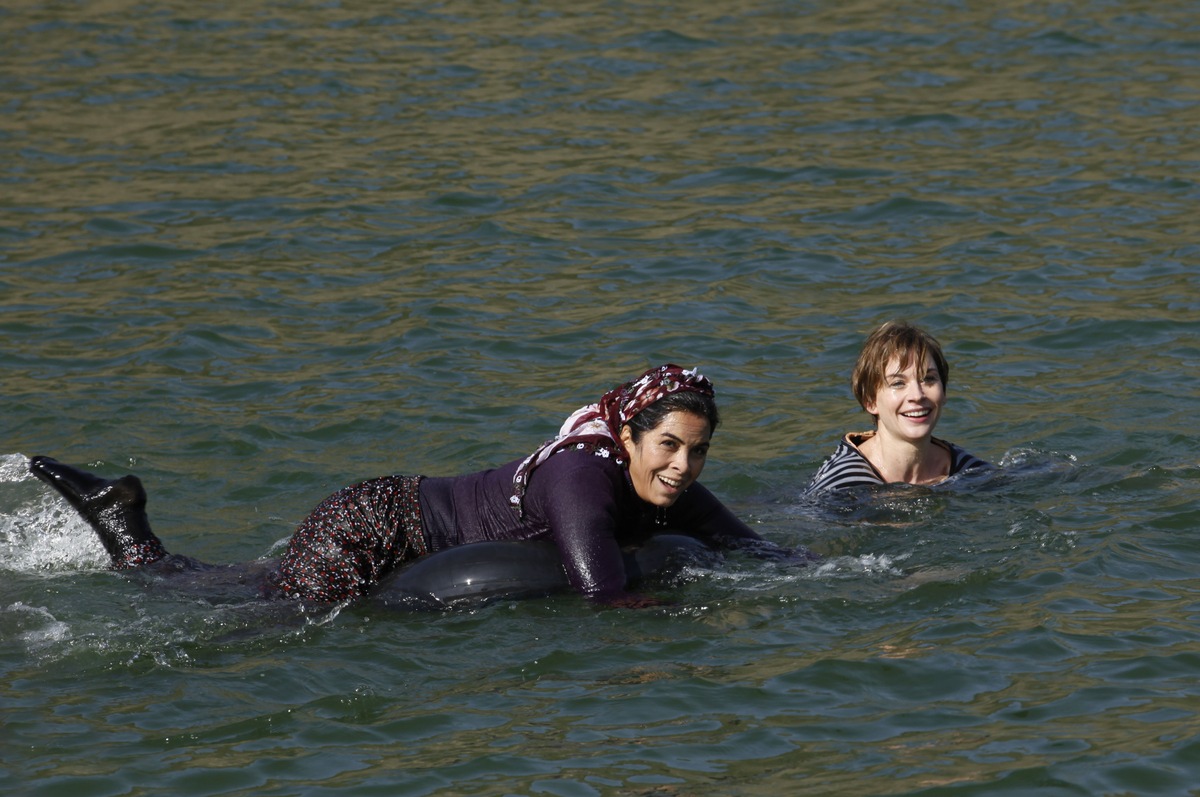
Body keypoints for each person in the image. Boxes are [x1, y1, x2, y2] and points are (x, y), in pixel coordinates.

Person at [31, 364, 790, 608]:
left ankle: (128, 525)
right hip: (377, 523)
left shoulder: (662, 479)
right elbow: (603, 592)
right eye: (668, 448)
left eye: (697, 452)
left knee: (246, 585)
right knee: (253, 616)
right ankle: (131, 546)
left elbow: (755, 548)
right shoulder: (580, 476)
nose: (683, 468)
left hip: (399, 516)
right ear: (628, 435)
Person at [804, 322, 990, 494]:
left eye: (929, 379)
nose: (917, 395)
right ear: (870, 401)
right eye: (898, 383)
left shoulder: (972, 473)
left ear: (944, 392)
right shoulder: (841, 488)